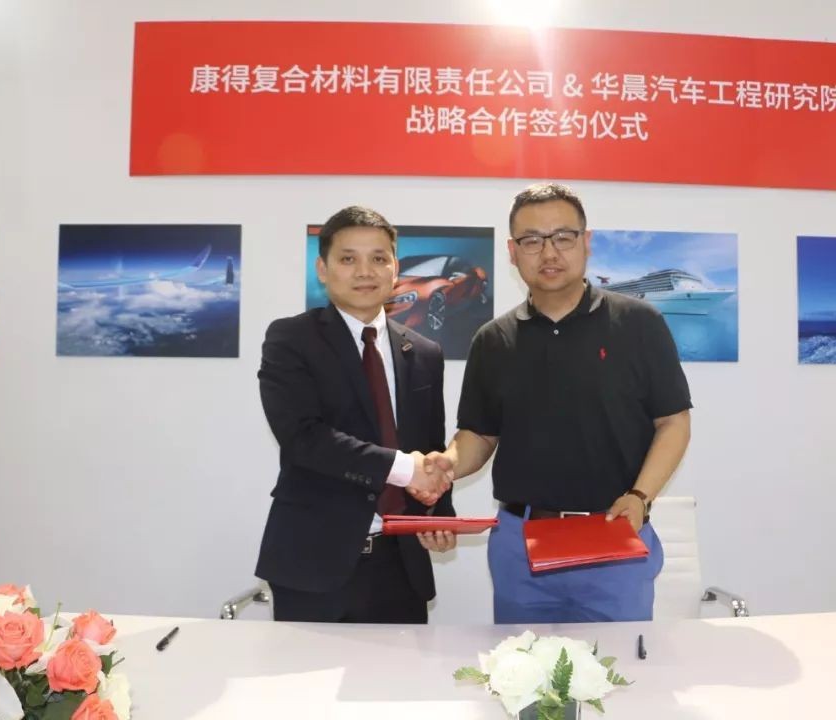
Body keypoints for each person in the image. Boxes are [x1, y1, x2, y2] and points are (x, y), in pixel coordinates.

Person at [426, 183, 692, 623]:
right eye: (531, 240)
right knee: (519, 664)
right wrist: (447, 464)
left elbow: (674, 422)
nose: (548, 252)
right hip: (521, 542)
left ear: (586, 242)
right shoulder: (493, 340)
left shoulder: (638, 323)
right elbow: (479, 434)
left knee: (618, 665)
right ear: (512, 252)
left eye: (563, 237)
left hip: (613, 532)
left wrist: (641, 496)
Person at [256, 205, 455, 624]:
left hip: (401, 568)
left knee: (401, 671)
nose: (365, 271)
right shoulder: (290, 339)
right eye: (348, 259)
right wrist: (406, 469)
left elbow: (429, 446)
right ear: (323, 269)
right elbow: (303, 438)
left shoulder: (424, 353)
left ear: (395, 268)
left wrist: (438, 515)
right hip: (313, 565)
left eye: (379, 258)